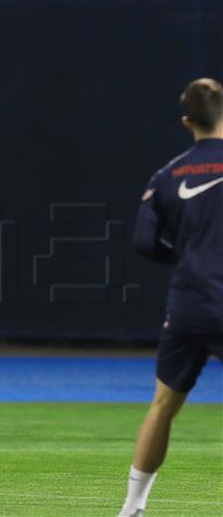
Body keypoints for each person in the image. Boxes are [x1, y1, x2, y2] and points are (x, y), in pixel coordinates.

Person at [118, 78, 223, 517]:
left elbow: (144, 243)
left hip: (188, 304)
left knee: (162, 406)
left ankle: (133, 508)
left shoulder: (167, 175)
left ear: (186, 121)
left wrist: (188, 260)